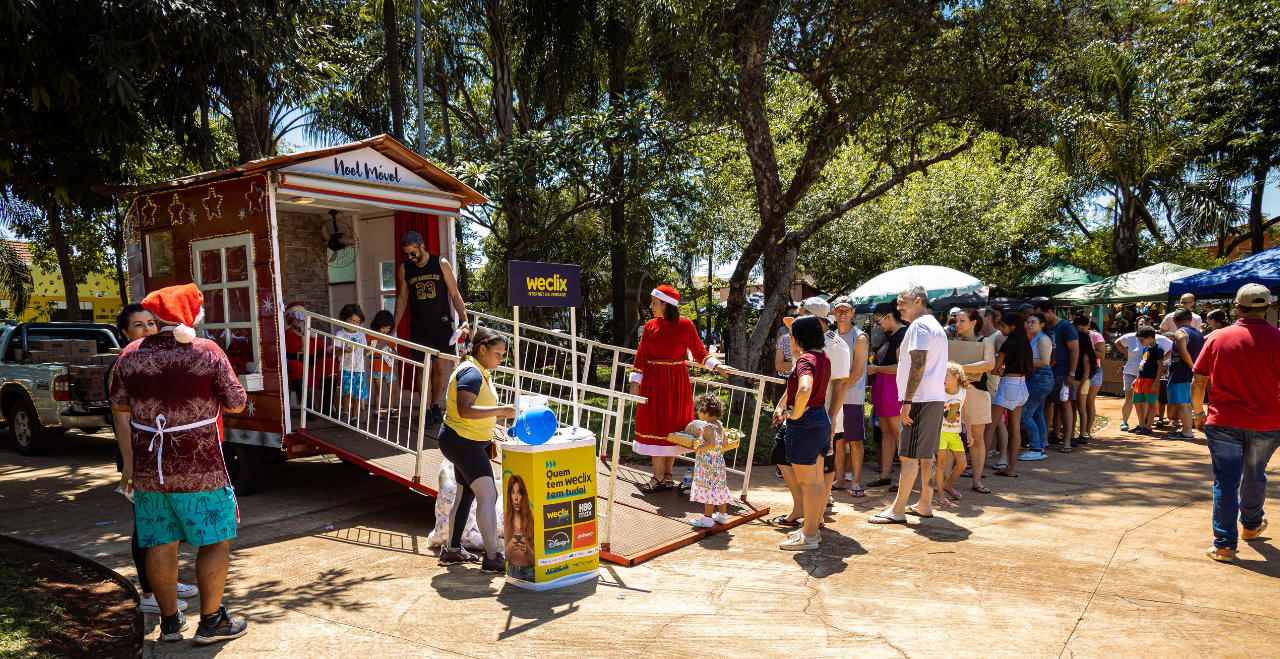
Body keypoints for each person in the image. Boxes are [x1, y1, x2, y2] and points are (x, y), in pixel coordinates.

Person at [110, 284, 248, 644]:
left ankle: (170, 623)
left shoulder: (131, 354)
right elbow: (235, 402)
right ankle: (212, 622)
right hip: (200, 466)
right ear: (192, 314)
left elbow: (120, 405)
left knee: (159, 542)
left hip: (150, 468)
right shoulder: (206, 351)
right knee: (216, 541)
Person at [112, 305, 200, 614]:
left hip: (164, 454)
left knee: (168, 524)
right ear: (125, 333)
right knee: (146, 526)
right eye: (138, 325)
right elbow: (121, 419)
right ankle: (149, 593)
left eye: (151, 323)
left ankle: (165, 580)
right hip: (140, 456)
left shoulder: (156, 361)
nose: (147, 329)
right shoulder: (125, 363)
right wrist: (129, 464)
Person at [1192, 284, 1280, 563]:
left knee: (1226, 481)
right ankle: (1251, 527)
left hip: (1223, 421)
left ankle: (1224, 546)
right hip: (1266, 422)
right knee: (1255, 474)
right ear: (1267, 308)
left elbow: (1199, 380)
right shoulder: (1278, 338)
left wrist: (1197, 413)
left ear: (1237, 309)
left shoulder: (1218, 337)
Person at [629, 285, 733, 492]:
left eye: (654, 303)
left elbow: (699, 351)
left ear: (666, 305)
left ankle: (667, 475)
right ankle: (658, 475)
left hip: (676, 382)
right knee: (655, 426)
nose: (651, 306)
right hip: (653, 382)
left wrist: (718, 366)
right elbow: (642, 355)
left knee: (672, 427)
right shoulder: (650, 326)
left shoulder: (685, 326)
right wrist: (635, 381)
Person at [438, 326, 516, 572]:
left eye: (503, 354)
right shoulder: (471, 373)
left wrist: (504, 420)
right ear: (482, 349)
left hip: (462, 441)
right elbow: (465, 409)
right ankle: (492, 557)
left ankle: (451, 551)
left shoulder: (477, 371)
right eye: (498, 353)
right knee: (488, 495)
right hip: (464, 442)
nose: (501, 359)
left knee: (465, 496)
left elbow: (479, 410)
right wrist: (501, 410)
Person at [868, 286, 948, 524]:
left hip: (920, 400)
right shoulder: (934, 324)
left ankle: (898, 509)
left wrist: (908, 401)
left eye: (903, 302)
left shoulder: (920, 326)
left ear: (918, 301)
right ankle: (925, 503)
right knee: (927, 455)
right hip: (932, 398)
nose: (899, 306)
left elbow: (918, 364)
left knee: (909, 456)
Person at [768, 299, 848, 521]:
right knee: (786, 459)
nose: (796, 319)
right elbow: (796, 378)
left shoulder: (834, 347)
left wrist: (801, 412)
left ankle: (813, 524)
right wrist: (782, 405)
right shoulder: (813, 352)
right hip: (814, 417)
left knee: (815, 479)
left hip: (816, 418)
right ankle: (806, 516)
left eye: (801, 315)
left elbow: (838, 384)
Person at [391, 231, 469, 427]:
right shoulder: (405, 268)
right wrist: (393, 327)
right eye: (407, 254)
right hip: (419, 326)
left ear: (423, 247)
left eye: (413, 253)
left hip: (442, 324)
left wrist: (464, 320)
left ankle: (435, 406)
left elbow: (455, 294)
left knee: (440, 369)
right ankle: (424, 409)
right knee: (422, 369)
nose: (410, 257)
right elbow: (401, 298)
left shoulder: (441, 263)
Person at [773, 315, 831, 549]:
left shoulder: (805, 360)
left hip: (805, 423)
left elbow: (805, 386)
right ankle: (811, 532)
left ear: (801, 337)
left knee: (809, 484)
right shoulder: (821, 355)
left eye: (792, 335)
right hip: (819, 420)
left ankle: (809, 537)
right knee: (816, 483)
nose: (790, 339)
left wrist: (794, 412)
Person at [832, 297, 869, 497]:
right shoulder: (831, 337)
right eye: (839, 310)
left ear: (853, 313)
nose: (843, 314)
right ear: (834, 312)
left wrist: (838, 390)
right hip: (835, 398)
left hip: (852, 398)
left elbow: (856, 372)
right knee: (837, 440)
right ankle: (839, 480)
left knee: (854, 441)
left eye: (846, 310)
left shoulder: (860, 337)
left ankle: (855, 482)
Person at [865, 302, 906, 489]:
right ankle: (885, 475)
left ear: (889, 317)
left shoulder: (903, 334)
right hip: (883, 385)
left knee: (899, 434)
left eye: (878, 322)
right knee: (886, 434)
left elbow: (902, 367)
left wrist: (877, 368)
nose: (878, 326)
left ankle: (904, 479)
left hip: (894, 387)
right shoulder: (892, 335)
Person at [989, 312, 1033, 478]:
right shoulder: (1025, 343)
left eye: (1003, 326)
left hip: (1008, 385)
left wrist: (1000, 370)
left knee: (990, 427)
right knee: (1015, 429)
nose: (1001, 329)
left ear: (1012, 327)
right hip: (1021, 386)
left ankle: (975, 467)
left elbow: (994, 369)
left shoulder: (1008, 344)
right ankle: (1011, 468)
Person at [1114, 318, 1172, 431]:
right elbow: (1118, 343)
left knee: (1149, 401)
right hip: (1138, 376)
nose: (1140, 343)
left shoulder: (1158, 345)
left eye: (1146, 323)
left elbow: (1162, 361)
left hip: (1150, 378)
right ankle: (1136, 424)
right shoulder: (1145, 345)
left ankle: (1146, 425)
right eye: (1140, 323)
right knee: (1133, 399)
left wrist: (1157, 376)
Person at [1037, 301, 1079, 448]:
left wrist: (1071, 373)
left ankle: (1067, 440)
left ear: (1049, 311)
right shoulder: (1043, 328)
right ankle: (1045, 439)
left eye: (1040, 314)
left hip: (1062, 373)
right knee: (1046, 405)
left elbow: (1074, 350)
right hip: (1045, 373)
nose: (1039, 318)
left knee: (1064, 405)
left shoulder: (1066, 326)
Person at [689, 393, 732, 529]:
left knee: (709, 489)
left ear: (706, 412)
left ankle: (707, 519)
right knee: (719, 487)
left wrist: (698, 448)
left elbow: (711, 444)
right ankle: (722, 515)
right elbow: (724, 444)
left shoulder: (708, 427)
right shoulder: (719, 425)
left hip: (708, 464)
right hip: (718, 462)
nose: (698, 413)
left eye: (699, 410)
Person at [1017, 313, 1055, 462]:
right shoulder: (1037, 339)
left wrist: (1023, 363)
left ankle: (1035, 449)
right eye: (1028, 322)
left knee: (1025, 413)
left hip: (1040, 377)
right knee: (1037, 414)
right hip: (1038, 377)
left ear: (1042, 324)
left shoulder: (1043, 338)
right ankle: (1039, 447)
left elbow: (1045, 361)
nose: (1029, 324)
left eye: (1033, 322)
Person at [934, 362, 970, 505]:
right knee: (941, 463)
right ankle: (940, 495)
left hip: (955, 434)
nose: (942, 378)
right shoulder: (938, 392)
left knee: (962, 465)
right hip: (941, 433)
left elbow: (966, 415)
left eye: (945, 375)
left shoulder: (964, 392)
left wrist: (971, 435)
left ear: (956, 377)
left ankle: (948, 484)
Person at [1166, 308, 1205, 440]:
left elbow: (1183, 352)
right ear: (1190, 320)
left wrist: (1192, 367)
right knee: (1187, 403)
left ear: (1174, 319)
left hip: (1181, 373)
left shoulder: (1180, 333)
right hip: (1192, 374)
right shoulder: (1198, 333)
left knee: (1181, 403)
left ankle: (1187, 431)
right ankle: (1185, 429)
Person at [979, 306, 1009, 471]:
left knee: (998, 423)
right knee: (987, 422)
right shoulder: (981, 336)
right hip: (982, 384)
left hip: (993, 383)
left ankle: (1003, 456)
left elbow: (1006, 358)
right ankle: (988, 452)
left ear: (988, 318)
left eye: (981, 316)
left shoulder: (997, 336)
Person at [335, 304, 368, 422]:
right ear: (344, 319)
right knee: (347, 392)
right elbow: (336, 353)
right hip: (345, 368)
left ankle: (355, 418)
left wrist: (371, 348)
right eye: (352, 321)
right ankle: (345, 413)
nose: (355, 325)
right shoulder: (340, 334)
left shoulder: (361, 335)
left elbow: (365, 352)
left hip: (359, 369)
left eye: (358, 322)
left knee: (358, 395)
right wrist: (345, 350)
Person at [1130, 326, 1165, 435]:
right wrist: (1137, 378)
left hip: (1151, 380)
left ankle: (1148, 426)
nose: (1140, 342)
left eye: (1142, 340)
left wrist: (1156, 381)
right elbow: (1143, 364)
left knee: (1151, 403)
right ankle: (1141, 424)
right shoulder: (1146, 348)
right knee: (1137, 401)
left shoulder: (1158, 348)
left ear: (1149, 338)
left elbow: (1160, 366)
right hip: (1141, 379)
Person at [1068, 316, 1096, 451]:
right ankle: (1072, 435)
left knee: (1082, 409)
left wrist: (1080, 388)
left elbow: (1086, 372)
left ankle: (1082, 433)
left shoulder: (1085, 354)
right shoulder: (1073, 353)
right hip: (1073, 382)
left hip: (1082, 383)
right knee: (1072, 409)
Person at [1077, 319, 1106, 444]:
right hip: (1080, 373)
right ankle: (1082, 430)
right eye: (1077, 330)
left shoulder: (1095, 336)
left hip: (1094, 371)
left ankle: (1087, 430)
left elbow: (1102, 355)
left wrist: (1086, 350)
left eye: (1082, 329)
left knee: (1089, 402)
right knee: (1080, 405)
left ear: (1088, 326)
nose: (1079, 331)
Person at [503, 475, 535, 582]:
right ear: (510, 495)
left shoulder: (531, 520)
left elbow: (537, 562)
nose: (516, 497)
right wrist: (510, 548)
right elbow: (505, 558)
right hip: (512, 570)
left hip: (530, 571)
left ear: (523, 496)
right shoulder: (506, 517)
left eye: (519, 493)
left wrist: (527, 550)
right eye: (513, 492)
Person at [367, 310, 397, 420]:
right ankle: (377, 411)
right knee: (379, 388)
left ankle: (390, 409)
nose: (386, 330)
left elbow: (395, 352)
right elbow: (365, 350)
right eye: (384, 327)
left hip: (389, 366)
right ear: (378, 324)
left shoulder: (390, 338)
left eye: (388, 328)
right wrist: (373, 346)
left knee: (393, 388)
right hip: (376, 366)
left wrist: (390, 351)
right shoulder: (371, 335)